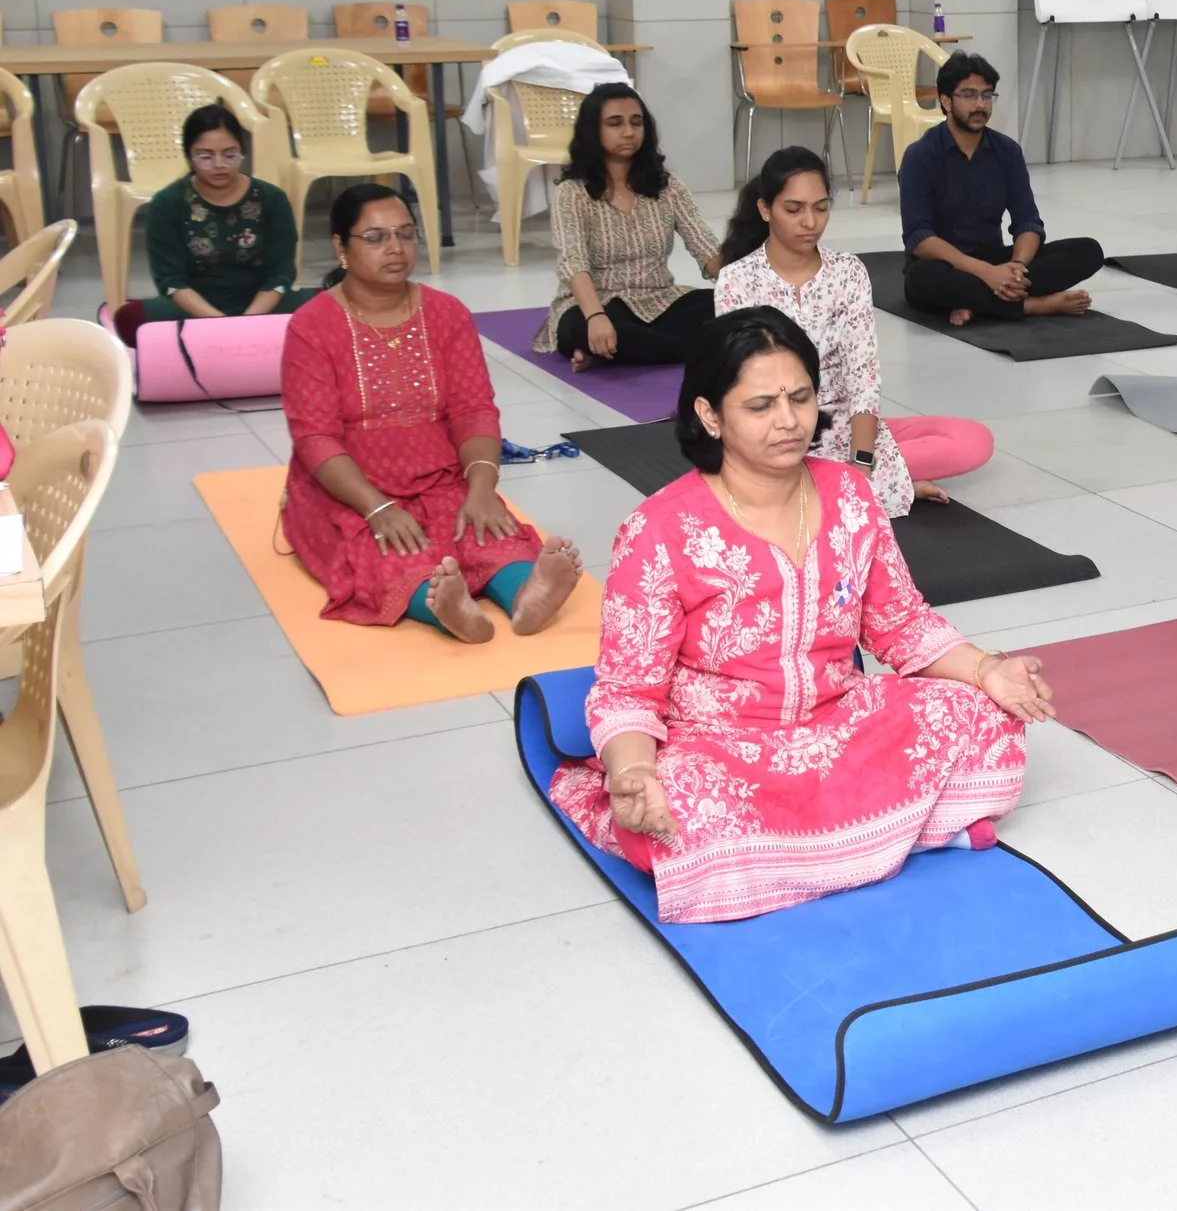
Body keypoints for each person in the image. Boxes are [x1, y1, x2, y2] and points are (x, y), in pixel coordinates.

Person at [543, 307, 1055, 924]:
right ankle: (896, 835)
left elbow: (901, 622)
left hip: (840, 722)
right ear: (709, 415)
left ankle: (806, 857)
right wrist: (633, 771)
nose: (788, 421)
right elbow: (628, 687)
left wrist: (987, 670)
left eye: (801, 397)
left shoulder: (850, 493)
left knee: (978, 712)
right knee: (682, 806)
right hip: (723, 746)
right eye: (760, 405)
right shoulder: (659, 529)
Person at [281, 185, 584, 640]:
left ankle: (527, 596)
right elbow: (315, 438)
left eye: (405, 234)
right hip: (347, 489)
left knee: (485, 528)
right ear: (341, 247)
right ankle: (446, 607)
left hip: (439, 474)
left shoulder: (446, 314)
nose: (395, 248)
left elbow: (474, 410)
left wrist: (481, 488)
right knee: (388, 548)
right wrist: (377, 507)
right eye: (376, 237)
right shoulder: (313, 326)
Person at [715, 146, 994, 517]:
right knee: (767, 491)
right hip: (770, 427)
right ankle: (877, 488)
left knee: (973, 442)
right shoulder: (737, 281)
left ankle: (861, 483)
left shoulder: (848, 272)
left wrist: (863, 462)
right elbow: (741, 384)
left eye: (820, 207)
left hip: (841, 422)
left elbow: (863, 375)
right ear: (766, 210)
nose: (809, 222)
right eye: (793, 209)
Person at [898, 53, 1102, 326]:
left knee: (1088, 251)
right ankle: (1033, 305)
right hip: (947, 265)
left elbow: (1028, 222)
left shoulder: (1006, 151)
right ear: (946, 101)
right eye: (969, 95)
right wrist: (986, 273)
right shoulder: (920, 156)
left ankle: (979, 304)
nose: (980, 104)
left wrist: (1016, 267)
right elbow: (919, 238)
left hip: (996, 258)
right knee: (922, 281)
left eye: (987, 95)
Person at [533, 82, 721, 369]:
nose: (629, 132)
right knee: (585, 328)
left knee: (731, 308)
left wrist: (747, 280)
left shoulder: (667, 186)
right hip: (597, 305)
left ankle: (608, 354)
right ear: (592, 131)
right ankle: (701, 347)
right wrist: (596, 318)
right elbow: (574, 263)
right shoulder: (571, 193)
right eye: (614, 123)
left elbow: (705, 247)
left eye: (636, 122)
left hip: (660, 299)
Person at [111, 103, 318, 345]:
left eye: (230, 155)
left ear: (243, 152)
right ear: (189, 156)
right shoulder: (168, 203)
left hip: (262, 303)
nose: (219, 164)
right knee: (130, 318)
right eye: (206, 156)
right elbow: (170, 281)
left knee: (332, 305)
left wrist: (247, 321)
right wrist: (220, 324)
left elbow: (280, 275)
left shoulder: (271, 198)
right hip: (195, 307)